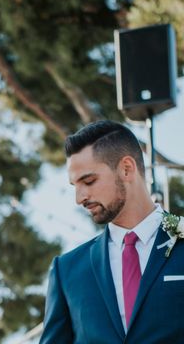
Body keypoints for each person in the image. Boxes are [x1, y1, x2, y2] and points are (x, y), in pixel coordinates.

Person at [40, 120, 184, 343]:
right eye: (75, 185)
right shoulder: (66, 271)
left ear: (127, 169)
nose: (79, 198)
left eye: (89, 181)